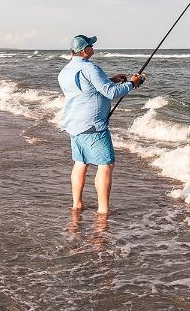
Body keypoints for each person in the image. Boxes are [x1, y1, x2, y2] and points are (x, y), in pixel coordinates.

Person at [58, 34, 144, 216]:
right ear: (84, 51)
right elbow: (112, 93)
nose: (93, 47)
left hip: (74, 124)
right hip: (93, 126)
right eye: (90, 45)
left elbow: (85, 88)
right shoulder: (90, 68)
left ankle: (76, 205)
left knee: (80, 163)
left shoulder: (65, 71)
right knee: (106, 165)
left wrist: (111, 79)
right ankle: (103, 211)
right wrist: (132, 83)